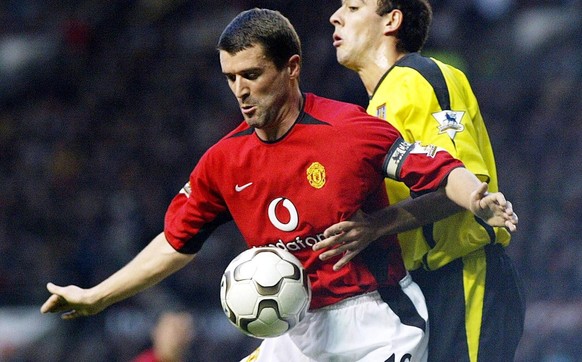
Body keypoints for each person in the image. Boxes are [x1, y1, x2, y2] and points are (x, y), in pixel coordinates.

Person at [40, 8, 517, 362]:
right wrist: (98, 295)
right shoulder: (224, 160)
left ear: (291, 68)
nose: (240, 91)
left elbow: (436, 167)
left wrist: (477, 197)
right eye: (231, 78)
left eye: (252, 75)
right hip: (294, 330)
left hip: (376, 319)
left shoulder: (353, 126)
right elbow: (176, 241)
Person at [316, 1, 526, 361]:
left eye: (353, 7)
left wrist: (375, 226)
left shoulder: (422, 76)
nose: (336, 16)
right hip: (421, 288)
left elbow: (464, 184)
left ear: (391, 20)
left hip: (462, 278)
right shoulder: (373, 108)